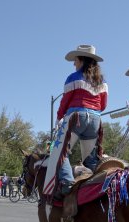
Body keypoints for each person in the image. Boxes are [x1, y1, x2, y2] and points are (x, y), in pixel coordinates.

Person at [44, 44, 107, 197]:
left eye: (75, 60)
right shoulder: (102, 82)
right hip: (95, 120)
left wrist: (59, 117)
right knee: (90, 159)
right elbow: (103, 105)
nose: (74, 63)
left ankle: (67, 183)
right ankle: (96, 187)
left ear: (81, 60)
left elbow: (65, 101)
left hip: (76, 117)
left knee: (59, 151)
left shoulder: (73, 78)